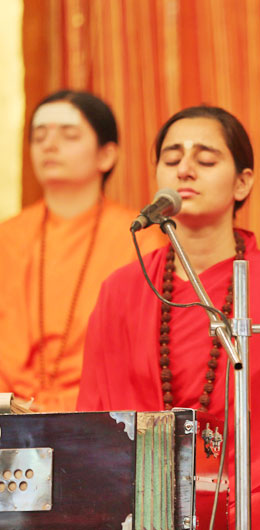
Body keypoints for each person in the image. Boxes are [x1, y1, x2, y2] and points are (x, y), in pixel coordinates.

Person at [77, 106, 260, 528]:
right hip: (143, 494)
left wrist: (232, 490)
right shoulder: (121, 290)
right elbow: (95, 418)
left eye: (205, 160)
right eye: (171, 160)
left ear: (243, 183)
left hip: (253, 495)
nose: (185, 170)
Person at [0, 90, 163, 412]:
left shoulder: (141, 240)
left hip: (99, 417)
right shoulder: (7, 236)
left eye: (69, 135)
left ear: (106, 155)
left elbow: (146, 354)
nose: (49, 144)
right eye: (39, 135)